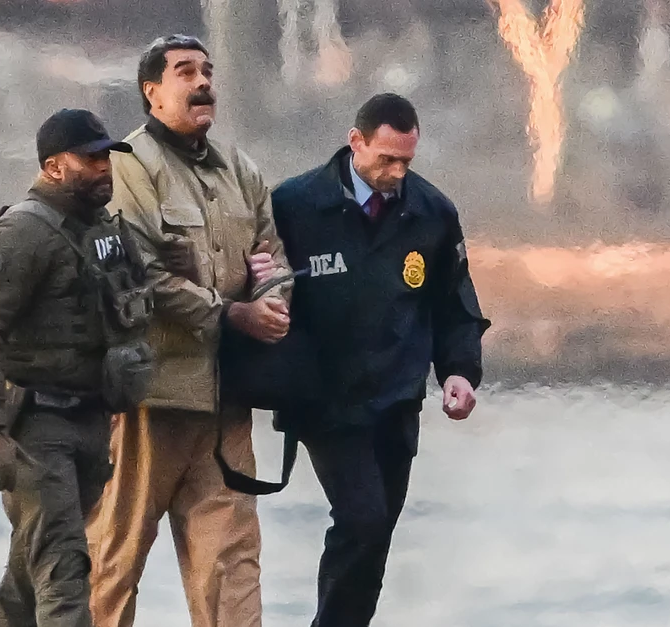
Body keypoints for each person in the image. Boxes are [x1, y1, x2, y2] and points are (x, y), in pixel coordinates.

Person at [85, 34, 293, 627]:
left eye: (207, 71)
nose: (202, 82)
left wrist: (272, 301)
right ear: (152, 92)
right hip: (149, 400)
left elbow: (273, 255)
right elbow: (137, 272)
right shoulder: (129, 165)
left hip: (226, 402)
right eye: (184, 72)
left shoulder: (240, 169)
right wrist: (231, 313)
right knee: (113, 561)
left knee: (232, 571)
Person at [265, 93, 492, 627]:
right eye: (387, 159)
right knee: (361, 520)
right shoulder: (294, 205)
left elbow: (455, 305)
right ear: (356, 142)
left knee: (376, 536)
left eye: (406, 161)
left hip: (396, 401)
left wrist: (459, 372)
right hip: (325, 401)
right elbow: (257, 288)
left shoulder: (432, 212)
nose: (397, 173)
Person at [0, 108, 151, 627]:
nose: (104, 167)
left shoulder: (102, 231)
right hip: (36, 429)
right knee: (64, 569)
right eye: (90, 158)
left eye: (107, 156)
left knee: (29, 575)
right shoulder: (21, 233)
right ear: (53, 166)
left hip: (91, 421)